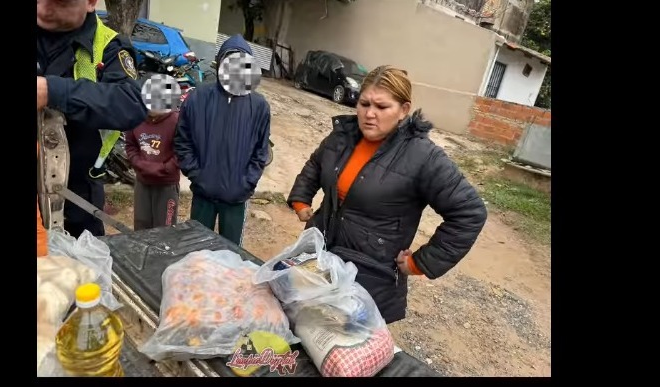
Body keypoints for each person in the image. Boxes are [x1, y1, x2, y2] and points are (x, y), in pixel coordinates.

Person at [287, 65, 488, 324]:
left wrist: (420, 263)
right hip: (319, 259)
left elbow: (470, 213)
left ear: (403, 110)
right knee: (303, 329)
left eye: (382, 107)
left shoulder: (423, 156)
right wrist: (301, 198)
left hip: (368, 278)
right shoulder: (344, 136)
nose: (369, 114)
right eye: (364, 103)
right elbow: (317, 164)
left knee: (344, 350)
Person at [37, 0, 147, 238]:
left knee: (84, 270)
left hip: (77, 198)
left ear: (90, 3)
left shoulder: (108, 45)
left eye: (59, 2)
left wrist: (53, 92)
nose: (43, 8)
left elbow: (131, 103)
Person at [175, 34, 271, 246]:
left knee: (231, 256)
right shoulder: (197, 98)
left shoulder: (259, 106)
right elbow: (183, 141)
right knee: (196, 251)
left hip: (236, 199)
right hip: (203, 195)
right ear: (220, 63)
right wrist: (197, 175)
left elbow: (261, 151)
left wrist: (246, 184)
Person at [124, 80, 181, 231]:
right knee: (141, 224)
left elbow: (181, 151)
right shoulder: (136, 118)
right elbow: (130, 145)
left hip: (166, 184)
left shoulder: (176, 121)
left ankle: (164, 255)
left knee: (165, 228)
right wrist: (139, 164)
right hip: (142, 182)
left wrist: (164, 168)